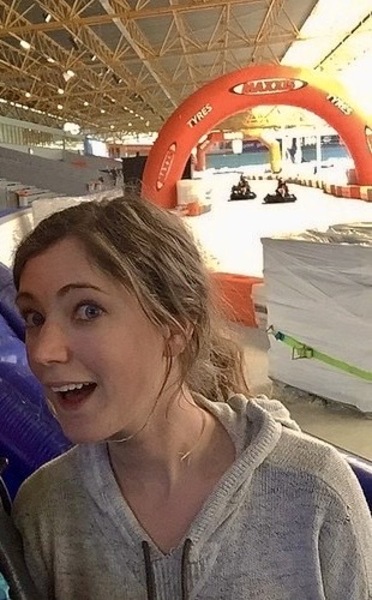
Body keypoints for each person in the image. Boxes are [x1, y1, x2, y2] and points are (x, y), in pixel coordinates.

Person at [11, 195, 372, 600]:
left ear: (175, 328)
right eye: (34, 317)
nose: (44, 351)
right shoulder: (46, 508)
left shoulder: (314, 492)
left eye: (87, 310)